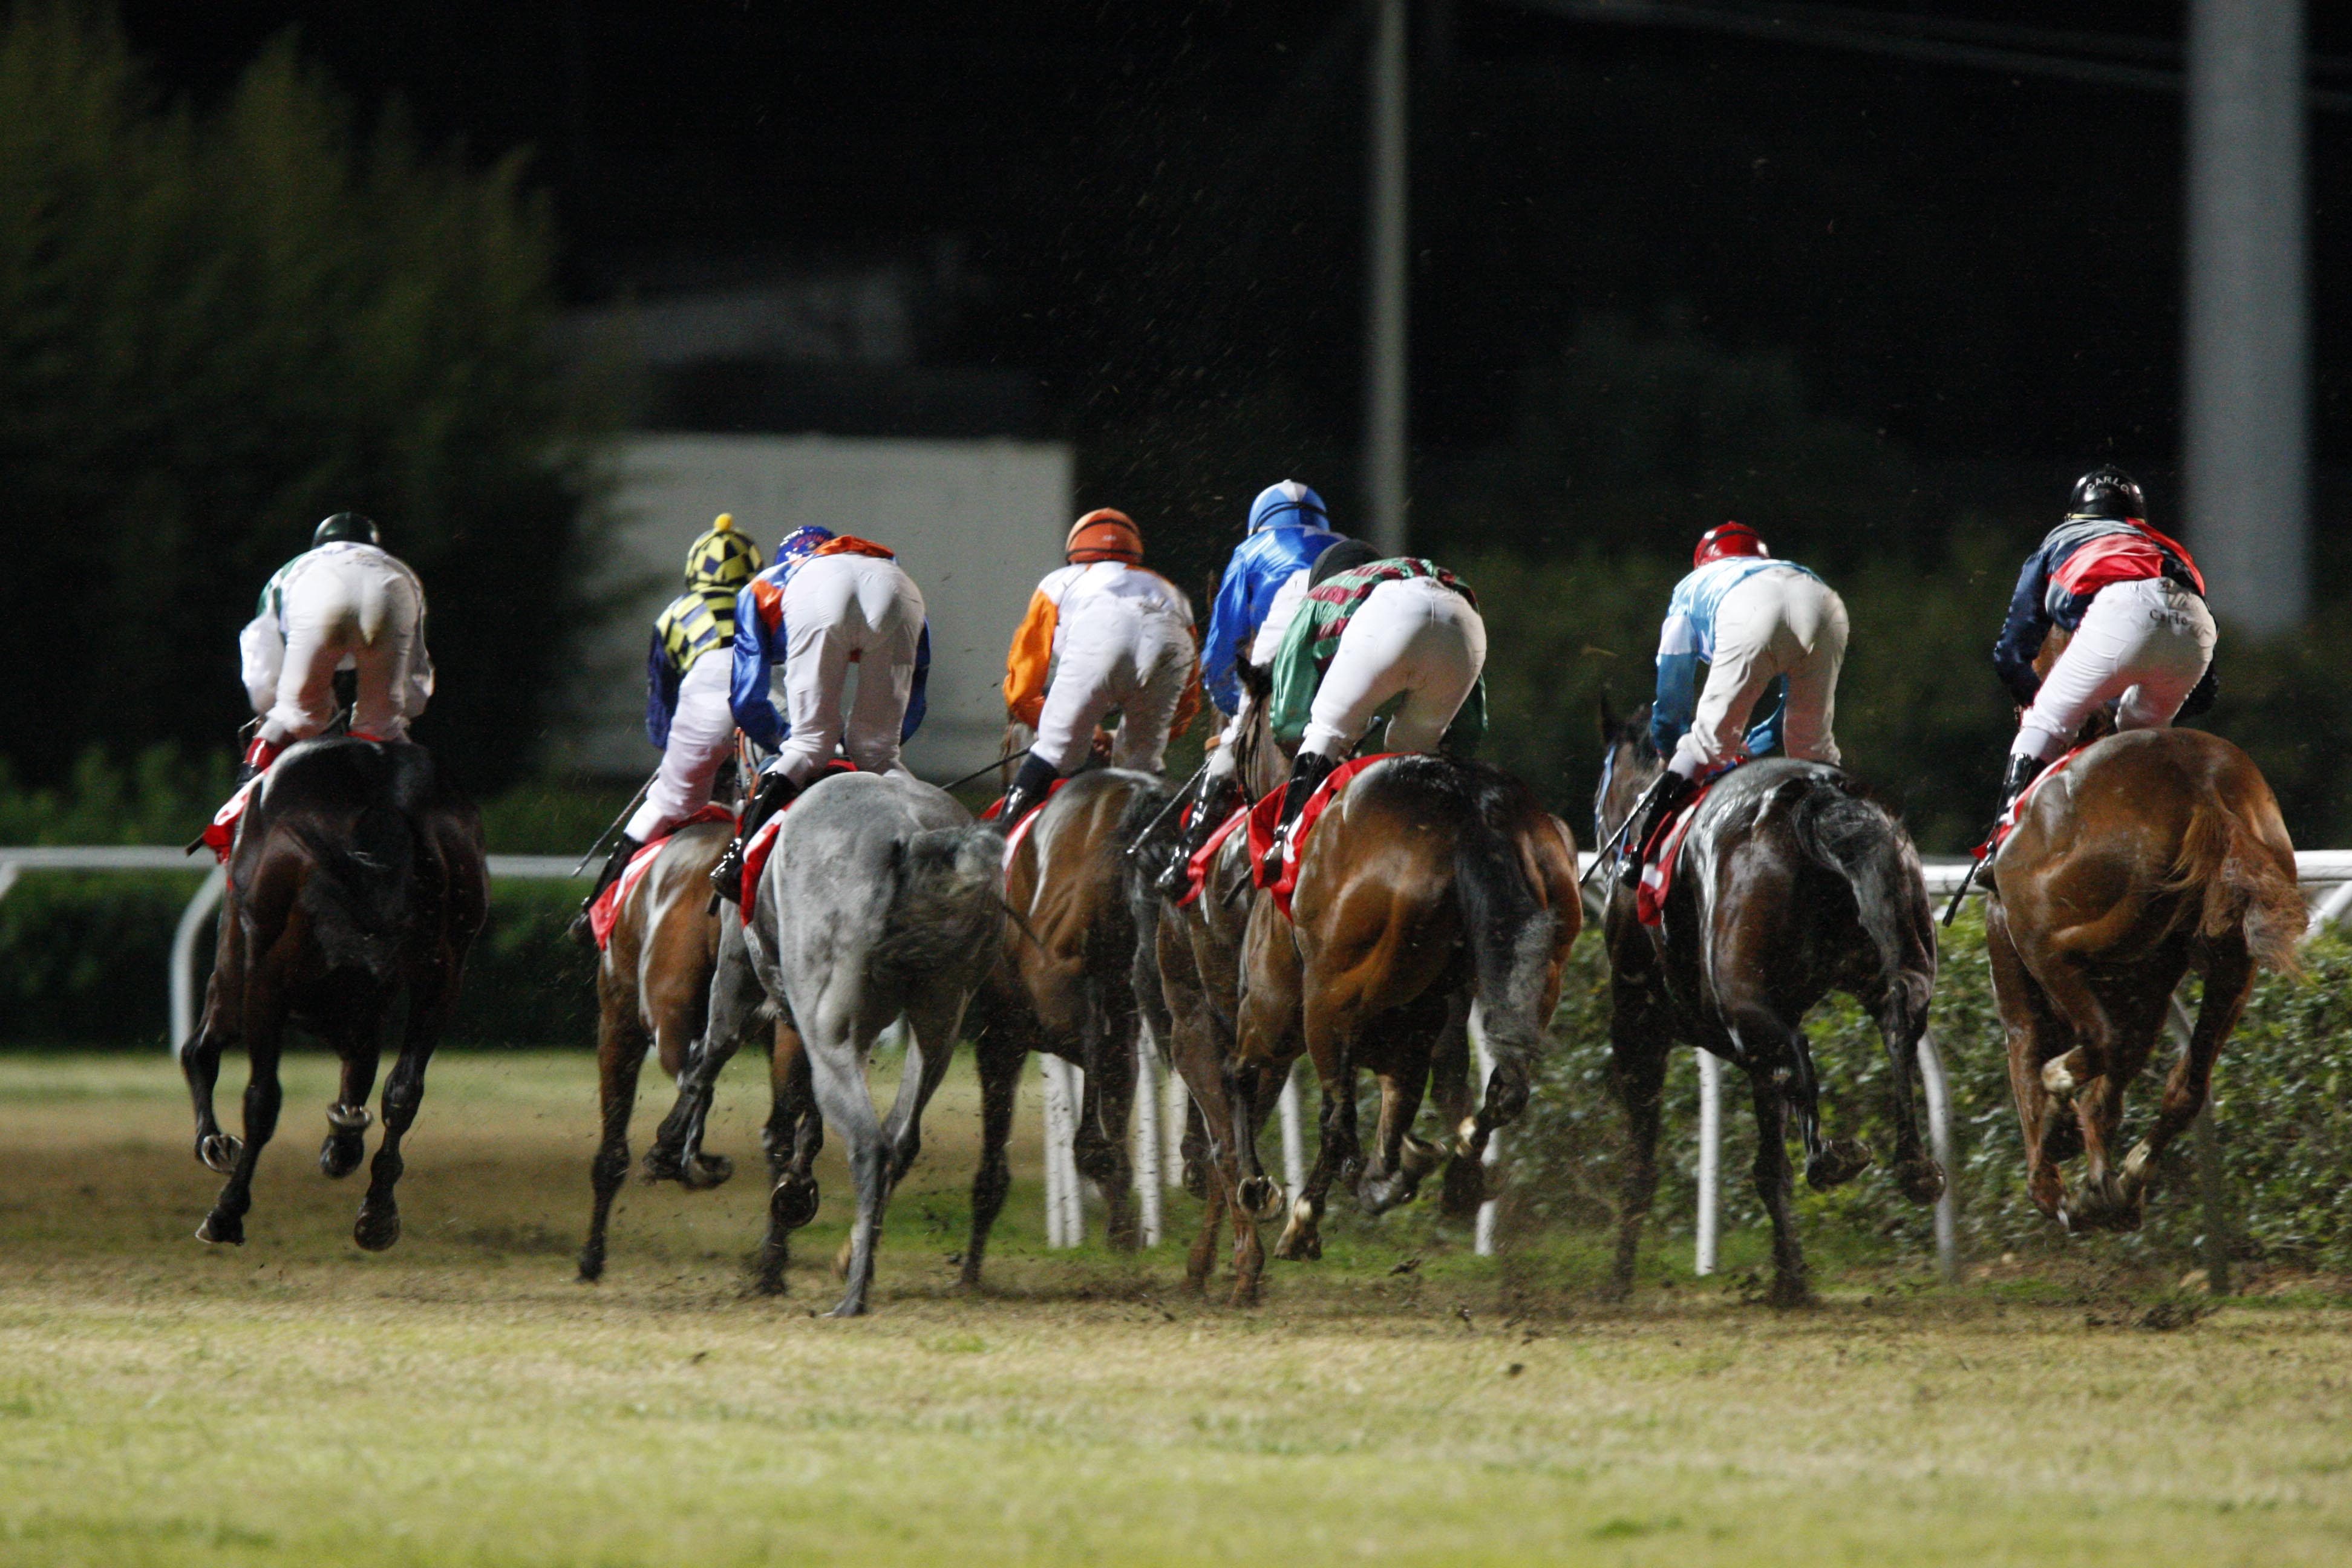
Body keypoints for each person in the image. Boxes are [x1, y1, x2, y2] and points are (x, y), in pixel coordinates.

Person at [1619, 523, 1848, 888]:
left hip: (1750, 606)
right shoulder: (1781, 570)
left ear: (1703, 562)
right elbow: (1791, 708)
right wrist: (1751, 744)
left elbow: (1674, 683)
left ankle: (1644, 855)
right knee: (1813, 750)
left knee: (1705, 745)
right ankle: (1848, 830)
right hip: (1825, 601)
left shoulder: (1693, 587)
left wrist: (1670, 745)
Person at [710, 524, 932, 900]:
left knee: (809, 744)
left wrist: (787, 741)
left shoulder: (765, 585)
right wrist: (866, 746)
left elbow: (747, 697)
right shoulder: (867, 565)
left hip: (821, 595)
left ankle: (739, 860)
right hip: (900, 586)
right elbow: (916, 693)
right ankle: (937, 850)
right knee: (879, 753)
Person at [1985, 465, 2215, 823]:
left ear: (2076, 513)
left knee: (2044, 722)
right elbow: (2206, 691)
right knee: (2138, 738)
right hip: (2195, 623)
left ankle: (2003, 834)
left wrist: (2045, 702)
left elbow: (2011, 653)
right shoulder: (2169, 548)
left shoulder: (2060, 538)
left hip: (2121, 613)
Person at [1156, 481, 1349, 892]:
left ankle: (1184, 859)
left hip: (1288, 624)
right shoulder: (1344, 543)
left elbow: (1222, 650)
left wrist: (1234, 707)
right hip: (1351, 632)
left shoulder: (1250, 551)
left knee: (1232, 742)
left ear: (1257, 524)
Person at [575, 514, 765, 927]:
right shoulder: (766, 604)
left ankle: (595, 908)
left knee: (664, 805)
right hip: (764, 705)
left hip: (702, 711)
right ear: (754, 570)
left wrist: (673, 750)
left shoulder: (673, 615)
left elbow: (661, 709)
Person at [1256, 540, 1488, 879]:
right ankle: (1431, 839)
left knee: (1327, 729)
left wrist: (1323, 742)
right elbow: (1470, 725)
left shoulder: (1322, 595)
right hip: (1463, 616)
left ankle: (1284, 839)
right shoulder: (1405, 570)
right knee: (1411, 750)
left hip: (1391, 617)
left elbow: (1288, 719)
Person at [997, 509, 1202, 826]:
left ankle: (998, 841)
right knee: (1142, 764)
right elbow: (1187, 698)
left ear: (1074, 554)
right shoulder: (1167, 587)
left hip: (1101, 639)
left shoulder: (1058, 582)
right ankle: (1174, 849)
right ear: (1134, 554)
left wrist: (1066, 728)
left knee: (1054, 751)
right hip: (1170, 641)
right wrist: (1123, 736)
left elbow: (1023, 685)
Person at [236, 512, 432, 783]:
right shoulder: (400, 570)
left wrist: (272, 705)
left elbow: (261, 647)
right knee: (381, 725)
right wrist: (397, 711)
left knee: (292, 715)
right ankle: (420, 796)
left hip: (320, 597)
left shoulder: (297, 568)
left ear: (319, 544)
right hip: (389, 590)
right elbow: (416, 663)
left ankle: (234, 815)